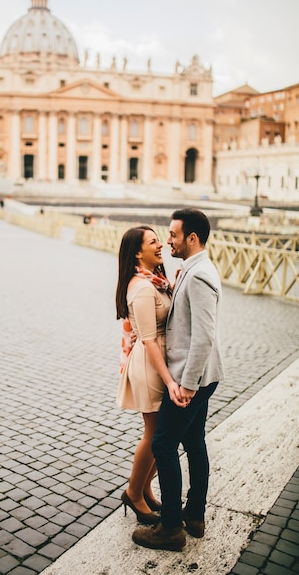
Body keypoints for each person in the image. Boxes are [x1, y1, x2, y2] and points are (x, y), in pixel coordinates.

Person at [132, 208, 225, 551]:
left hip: (194, 377)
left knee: (163, 444)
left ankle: (171, 527)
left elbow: (203, 337)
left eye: (172, 235)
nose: (167, 240)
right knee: (194, 441)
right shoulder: (194, 268)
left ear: (191, 238)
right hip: (203, 374)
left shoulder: (199, 275)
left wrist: (186, 384)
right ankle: (195, 515)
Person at [115, 226, 185, 526]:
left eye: (159, 240)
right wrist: (169, 380)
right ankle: (133, 492)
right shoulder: (142, 287)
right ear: (137, 253)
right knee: (156, 436)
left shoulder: (155, 281)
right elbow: (147, 338)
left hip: (158, 362)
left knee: (162, 435)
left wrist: (176, 285)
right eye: (153, 242)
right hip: (150, 365)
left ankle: (143, 487)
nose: (160, 245)